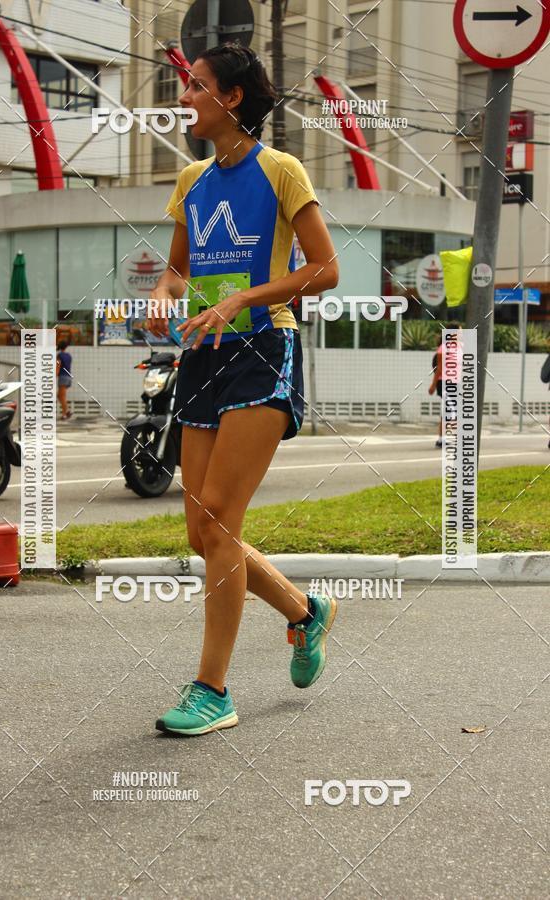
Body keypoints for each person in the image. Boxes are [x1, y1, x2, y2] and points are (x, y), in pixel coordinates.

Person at [147, 43, 340, 736]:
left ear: (230, 98)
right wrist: (165, 296)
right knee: (203, 532)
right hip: (205, 352)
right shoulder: (192, 180)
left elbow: (326, 268)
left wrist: (242, 300)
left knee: (221, 517)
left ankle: (212, 689)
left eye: (194, 86)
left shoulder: (281, 171)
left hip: (265, 346)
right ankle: (304, 612)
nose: (183, 97)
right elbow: (176, 269)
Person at [429, 321, 462, 447]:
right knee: (452, 411)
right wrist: (432, 385)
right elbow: (439, 368)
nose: (461, 333)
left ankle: (441, 439)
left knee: (448, 411)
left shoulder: (459, 347)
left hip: (455, 383)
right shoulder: (443, 348)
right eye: (459, 331)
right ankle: (454, 438)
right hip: (444, 383)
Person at [56, 339, 73, 420]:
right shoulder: (69, 355)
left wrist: (54, 375)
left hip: (62, 377)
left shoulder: (59, 355)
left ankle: (64, 414)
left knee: (62, 396)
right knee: (60, 396)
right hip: (68, 377)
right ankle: (67, 411)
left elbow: (58, 366)